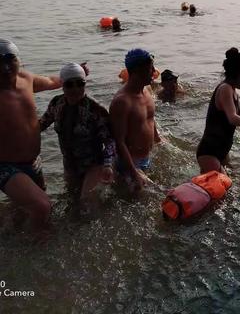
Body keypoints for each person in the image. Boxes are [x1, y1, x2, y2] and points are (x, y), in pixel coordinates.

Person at [0, 39, 62, 231]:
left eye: (10, 59)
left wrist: (74, 74)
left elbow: (52, 82)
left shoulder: (26, 79)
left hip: (32, 161)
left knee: (25, 207)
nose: (5, 66)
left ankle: (9, 233)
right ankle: (37, 249)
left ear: (19, 60)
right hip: (5, 165)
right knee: (42, 206)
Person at [39, 63, 115, 203]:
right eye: (69, 84)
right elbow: (41, 125)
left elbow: (110, 140)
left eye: (80, 83)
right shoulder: (57, 103)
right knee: (71, 201)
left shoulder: (95, 109)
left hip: (93, 164)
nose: (75, 89)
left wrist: (108, 164)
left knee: (87, 204)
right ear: (62, 84)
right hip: (69, 165)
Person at [109, 49, 161, 192]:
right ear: (138, 70)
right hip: (130, 164)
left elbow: (150, 118)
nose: (154, 71)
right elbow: (118, 142)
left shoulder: (147, 90)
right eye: (151, 68)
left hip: (147, 156)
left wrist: (158, 139)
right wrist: (134, 172)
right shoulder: (122, 101)